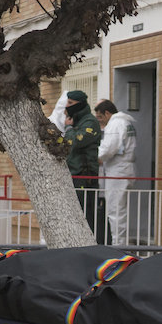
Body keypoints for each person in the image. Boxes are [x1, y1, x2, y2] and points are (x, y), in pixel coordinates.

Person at [63, 90, 109, 243]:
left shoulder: (90, 122)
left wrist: (69, 129)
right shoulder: (76, 121)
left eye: (71, 103)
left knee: (89, 214)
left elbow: (75, 142)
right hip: (73, 175)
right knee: (75, 214)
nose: (67, 106)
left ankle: (97, 245)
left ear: (80, 103)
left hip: (85, 176)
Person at [95, 99, 138, 245]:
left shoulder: (115, 124)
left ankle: (118, 244)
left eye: (100, 117)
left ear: (107, 113)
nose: (101, 121)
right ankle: (120, 242)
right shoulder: (126, 123)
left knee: (116, 210)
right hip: (124, 169)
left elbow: (108, 148)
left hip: (117, 171)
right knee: (120, 209)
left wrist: (95, 157)